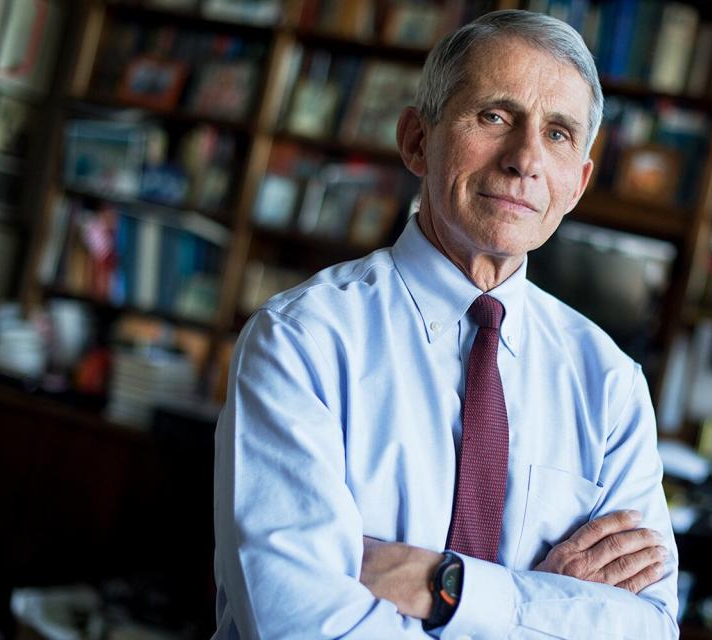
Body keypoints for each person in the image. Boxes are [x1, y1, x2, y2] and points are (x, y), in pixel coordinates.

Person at [213, 9, 679, 639]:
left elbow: (647, 628)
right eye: (495, 117)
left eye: (560, 134)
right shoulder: (303, 341)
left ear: (578, 186)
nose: (525, 159)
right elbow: (300, 626)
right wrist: (551, 602)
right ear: (415, 141)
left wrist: (445, 585)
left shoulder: (611, 385)